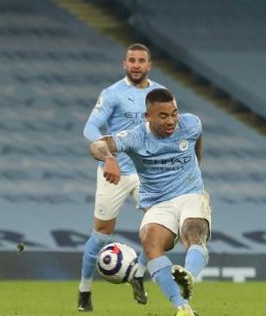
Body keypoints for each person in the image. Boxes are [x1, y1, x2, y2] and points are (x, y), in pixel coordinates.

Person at [88, 88, 210, 316]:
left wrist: (197, 166)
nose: (172, 120)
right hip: (158, 202)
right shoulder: (136, 136)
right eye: (163, 116)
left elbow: (197, 138)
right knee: (149, 240)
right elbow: (96, 146)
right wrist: (109, 158)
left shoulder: (191, 124)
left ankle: (188, 277)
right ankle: (183, 309)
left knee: (193, 230)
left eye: (174, 113)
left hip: (190, 193)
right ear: (148, 117)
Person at [77, 43, 163, 311]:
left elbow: (170, 129)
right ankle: (84, 290)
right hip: (114, 172)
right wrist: (109, 156)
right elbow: (90, 127)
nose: (136, 64)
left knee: (162, 224)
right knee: (102, 233)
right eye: (131, 60)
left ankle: (137, 273)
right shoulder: (113, 94)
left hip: (146, 173)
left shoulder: (160, 95)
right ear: (124, 64)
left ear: (149, 65)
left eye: (141, 60)